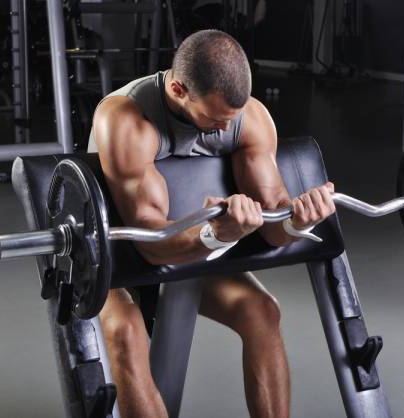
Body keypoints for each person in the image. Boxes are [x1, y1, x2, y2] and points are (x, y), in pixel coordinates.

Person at [89, 29, 335, 418]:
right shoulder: (126, 118)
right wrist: (214, 235)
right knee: (125, 330)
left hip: (192, 247)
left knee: (262, 312)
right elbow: (150, 243)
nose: (223, 130)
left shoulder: (249, 118)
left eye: (230, 119)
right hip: (114, 256)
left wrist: (296, 222)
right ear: (178, 89)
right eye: (213, 118)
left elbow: (273, 222)